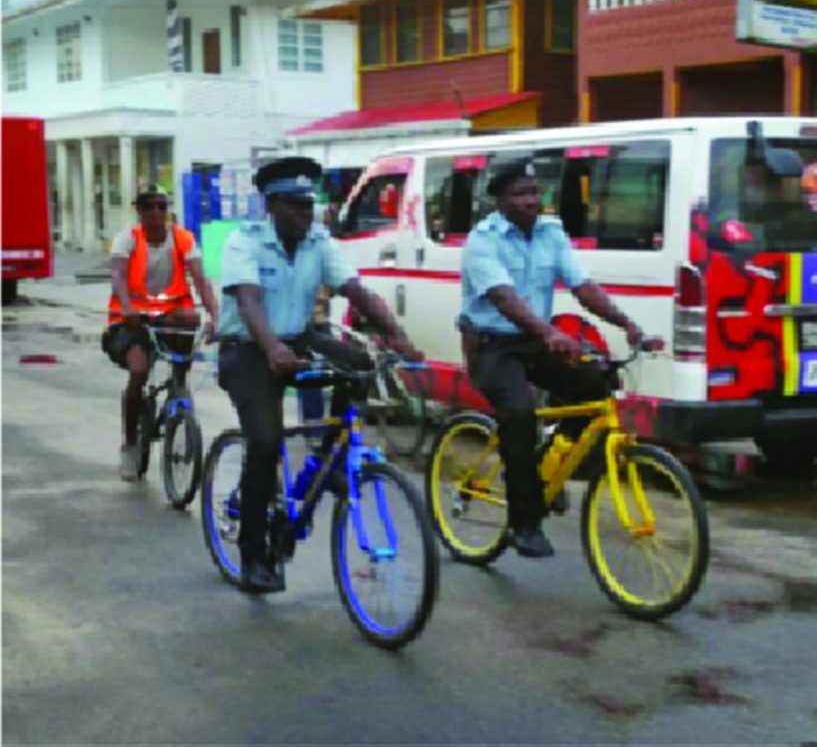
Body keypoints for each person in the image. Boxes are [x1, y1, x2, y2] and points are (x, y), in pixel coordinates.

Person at [217, 155, 419, 594]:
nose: (305, 214)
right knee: (266, 442)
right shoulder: (243, 242)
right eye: (294, 205)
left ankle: (328, 456)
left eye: (309, 205)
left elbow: (356, 290)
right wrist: (272, 349)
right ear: (271, 206)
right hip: (249, 348)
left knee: (361, 363)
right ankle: (254, 554)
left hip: (299, 336)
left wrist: (397, 336)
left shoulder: (318, 241)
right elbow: (249, 302)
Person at [459, 158, 650, 559]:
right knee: (520, 412)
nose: (531, 201)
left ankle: (549, 465)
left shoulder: (551, 232)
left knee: (594, 384)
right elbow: (503, 297)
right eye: (520, 194)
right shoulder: (483, 240)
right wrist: (549, 332)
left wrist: (627, 323)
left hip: (534, 341)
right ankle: (523, 524)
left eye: (534, 192)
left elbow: (582, 286)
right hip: (492, 344)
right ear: (500, 200)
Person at [104, 183, 219, 482]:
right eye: (149, 206)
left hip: (168, 317)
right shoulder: (127, 239)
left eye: (162, 206)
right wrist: (127, 307)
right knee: (139, 370)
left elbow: (201, 280)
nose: (157, 212)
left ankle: (180, 388)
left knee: (190, 318)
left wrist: (217, 316)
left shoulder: (182, 239)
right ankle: (130, 445)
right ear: (139, 211)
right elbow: (117, 273)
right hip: (131, 321)